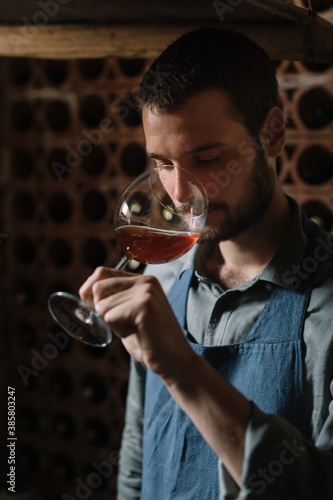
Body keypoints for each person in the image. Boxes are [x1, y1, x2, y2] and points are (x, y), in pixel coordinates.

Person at [79, 29, 333, 499]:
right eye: (163, 164)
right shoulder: (161, 280)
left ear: (272, 133)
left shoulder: (327, 305)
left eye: (207, 158)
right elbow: (138, 455)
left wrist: (181, 367)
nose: (178, 195)